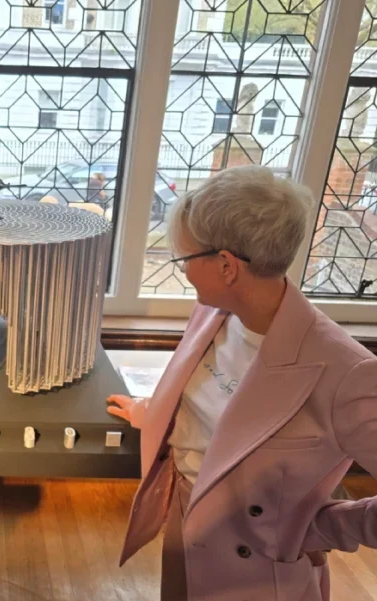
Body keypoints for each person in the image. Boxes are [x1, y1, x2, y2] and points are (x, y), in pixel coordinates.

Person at [107, 165, 377, 601]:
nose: (184, 271)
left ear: (227, 265)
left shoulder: (347, 371)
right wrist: (151, 412)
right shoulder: (216, 311)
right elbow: (215, 411)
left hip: (257, 571)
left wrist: (321, 526)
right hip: (188, 521)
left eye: (185, 259)